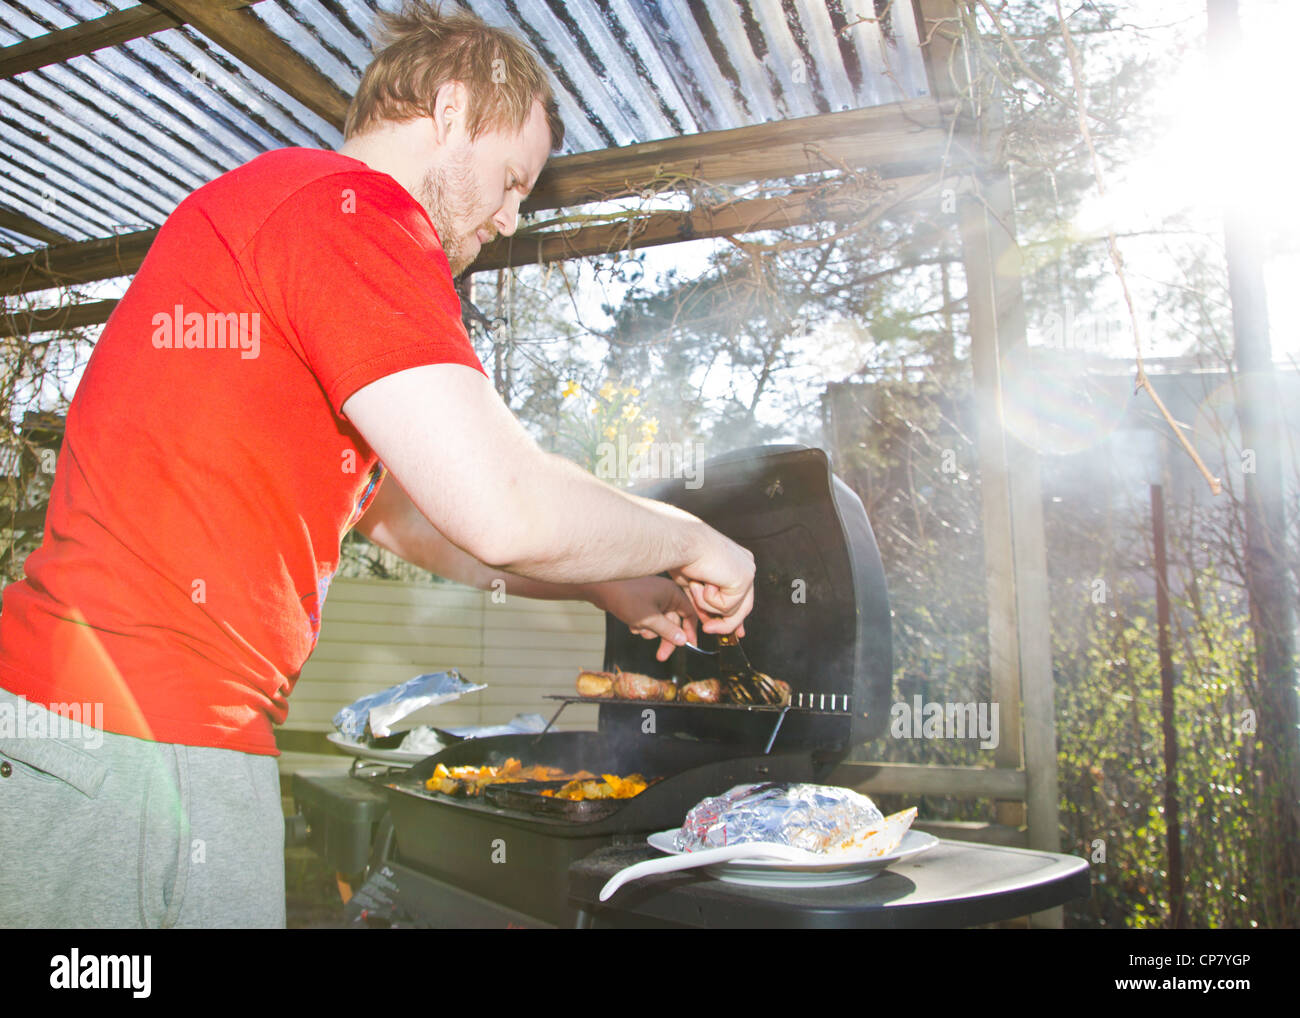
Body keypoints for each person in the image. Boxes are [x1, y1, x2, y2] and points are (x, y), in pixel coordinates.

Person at [0, 2, 754, 929]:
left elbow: (426, 524)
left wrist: (614, 585)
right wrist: (695, 539)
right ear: (449, 111)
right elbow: (501, 503)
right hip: (129, 731)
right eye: (513, 180)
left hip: (141, 730)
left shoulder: (292, 231)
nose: (513, 219)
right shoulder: (347, 210)